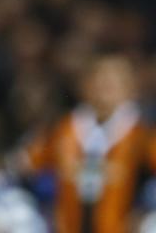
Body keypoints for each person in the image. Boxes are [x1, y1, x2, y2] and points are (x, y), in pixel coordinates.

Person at [17, 54, 156, 232]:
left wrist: (144, 211)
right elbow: (27, 163)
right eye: (100, 80)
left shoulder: (142, 133)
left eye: (114, 82)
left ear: (130, 88)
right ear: (85, 86)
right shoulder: (65, 128)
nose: (105, 87)